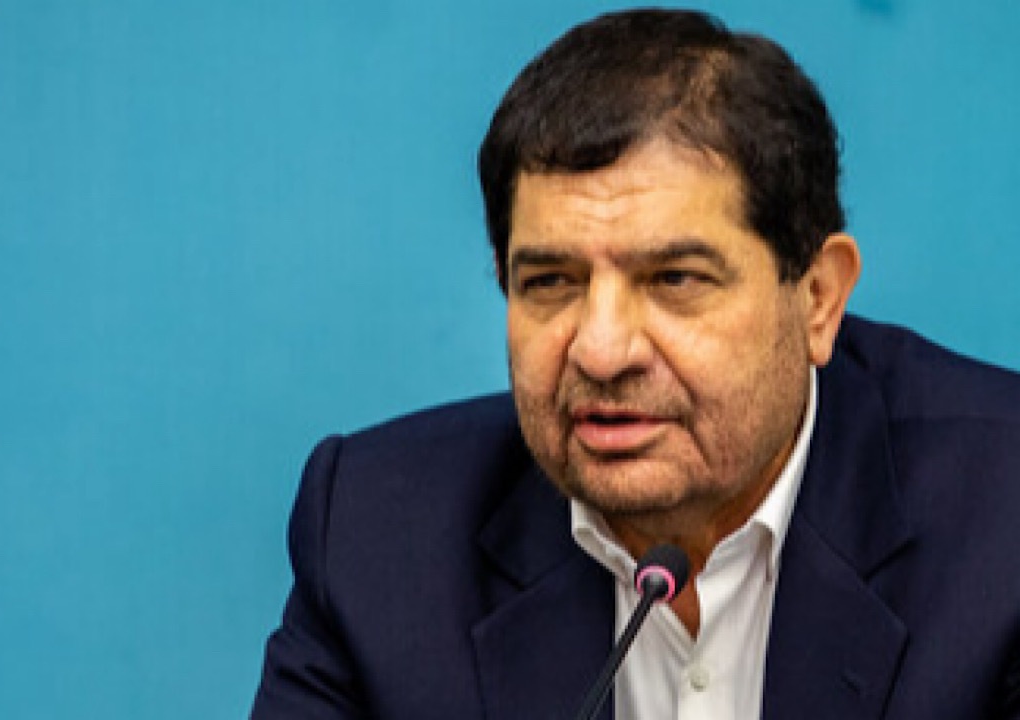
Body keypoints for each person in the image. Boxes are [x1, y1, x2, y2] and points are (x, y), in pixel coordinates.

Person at [252, 8, 1020, 719]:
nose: (601, 350)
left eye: (674, 280)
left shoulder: (1000, 522)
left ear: (817, 298)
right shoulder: (377, 541)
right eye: (551, 282)